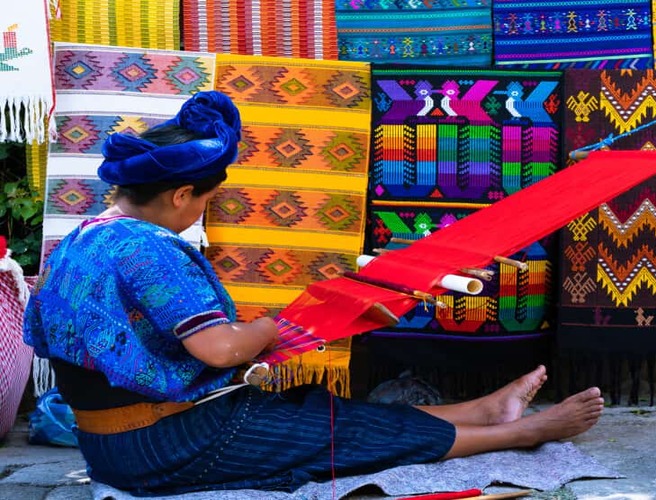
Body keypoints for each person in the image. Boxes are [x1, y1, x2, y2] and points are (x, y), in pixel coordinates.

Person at [23, 90, 605, 496]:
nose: (203, 211)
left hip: (117, 443)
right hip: (165, 446)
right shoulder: (146, 249)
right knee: (341, 435)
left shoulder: (80, 240)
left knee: (317, 413)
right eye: (204, 201)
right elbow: (222, 351)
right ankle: (523, 432)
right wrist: (275, 328)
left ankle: (482, 411)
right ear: (179, 195)